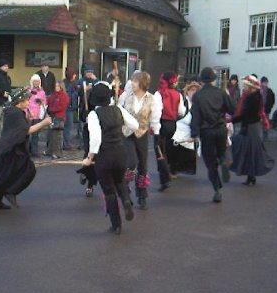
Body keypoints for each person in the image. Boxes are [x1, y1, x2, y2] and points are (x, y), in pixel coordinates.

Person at [0, 88, 52, 210]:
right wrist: (44, 123)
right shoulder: (15, 113)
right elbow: (26, 131)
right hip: (12, 149)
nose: (28, 102)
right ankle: (10, 192)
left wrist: (28, 120)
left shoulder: (13, 112)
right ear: (19, 101)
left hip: (8, 148)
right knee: (28, 170)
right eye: (26, 100)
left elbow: (19, 129)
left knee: (2, 176)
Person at [82, 81, 139, 234]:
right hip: (120, 152)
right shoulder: (118, 109)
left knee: (108, 190)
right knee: (120, 181)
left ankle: (116, 225)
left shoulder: (94, 114)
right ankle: (126, 200)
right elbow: (135, 125)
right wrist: (121, 132)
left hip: (104, 155)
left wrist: (89, 158)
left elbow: (95, 138)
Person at [190, 67, 234, 203]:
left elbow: (195, 116)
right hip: (220, 129)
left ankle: (217, 190)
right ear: (214, 80)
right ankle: (224, 161)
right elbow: (232, 108)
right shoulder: (221, 93)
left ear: (201, 80)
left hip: (206, 131)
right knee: (221, 152)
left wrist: (194, 133)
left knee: (210, 163)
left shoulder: (198, 96)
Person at [119, 71, 161, 206]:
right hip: (127, 134)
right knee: (131, 162)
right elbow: (119, 112)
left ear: (143, 83)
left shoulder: (152, 99)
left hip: (142, 134)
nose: (132, 83)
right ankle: (124, 188)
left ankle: (142, 195)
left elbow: (155, 119)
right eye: (132, 81)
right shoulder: (125, 96)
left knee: (143, 166)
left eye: (135, 81)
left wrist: (157, 134)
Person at [230, 75, 275, 185]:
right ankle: (251, 176)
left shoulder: (251, 98)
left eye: (246, 86)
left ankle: (250, 176)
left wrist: (231, 120)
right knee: (251, 152)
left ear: (251, 87)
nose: (244, 87)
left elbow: (245, 115)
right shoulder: (256, 96)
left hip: (250, 127)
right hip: (253, 127)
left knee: (245, 150)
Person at [171, 81, 201, 175]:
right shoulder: (184, 101)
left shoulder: (198, 104)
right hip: (179, 129)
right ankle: (173, 169)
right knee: (176, 151)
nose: (194, 92)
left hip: (190, 130)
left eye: (196, 90)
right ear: (187, 91)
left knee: (188, 151)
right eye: (192, 90)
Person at [46, 80, 70, 159]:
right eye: (55, 86)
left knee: (58, 136)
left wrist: (51, 109)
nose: (56, 88)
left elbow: (62, 107)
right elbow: (48, 103)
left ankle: (58, 153)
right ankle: (49, 151)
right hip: (52, 117)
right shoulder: (53, 95)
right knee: (51, 135)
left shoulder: (64, 96)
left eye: (58, 86)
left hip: (59, 117)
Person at [27, 74, 47, 157]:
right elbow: (25, 102)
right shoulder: (28, 91)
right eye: (35, 81)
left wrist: (41, 102)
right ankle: (26, 150)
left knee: (35, 135)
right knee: (27, 134)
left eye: (38, 81)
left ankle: (34, 151)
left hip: (37, 114)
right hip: (29, 114)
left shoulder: (42, 92)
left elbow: (45, 103)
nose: (36, 83)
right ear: (32, 82)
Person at [63, 67, 78, 150]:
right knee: (68, 126)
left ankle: (65, 144)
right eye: (74, 74)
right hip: (68, 108)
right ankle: (66, 144)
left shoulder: (69, 83)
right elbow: (69, 96)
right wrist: (76, 92)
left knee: (66, 126)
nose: (75, 75)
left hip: (69, 108)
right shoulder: (69, 84)